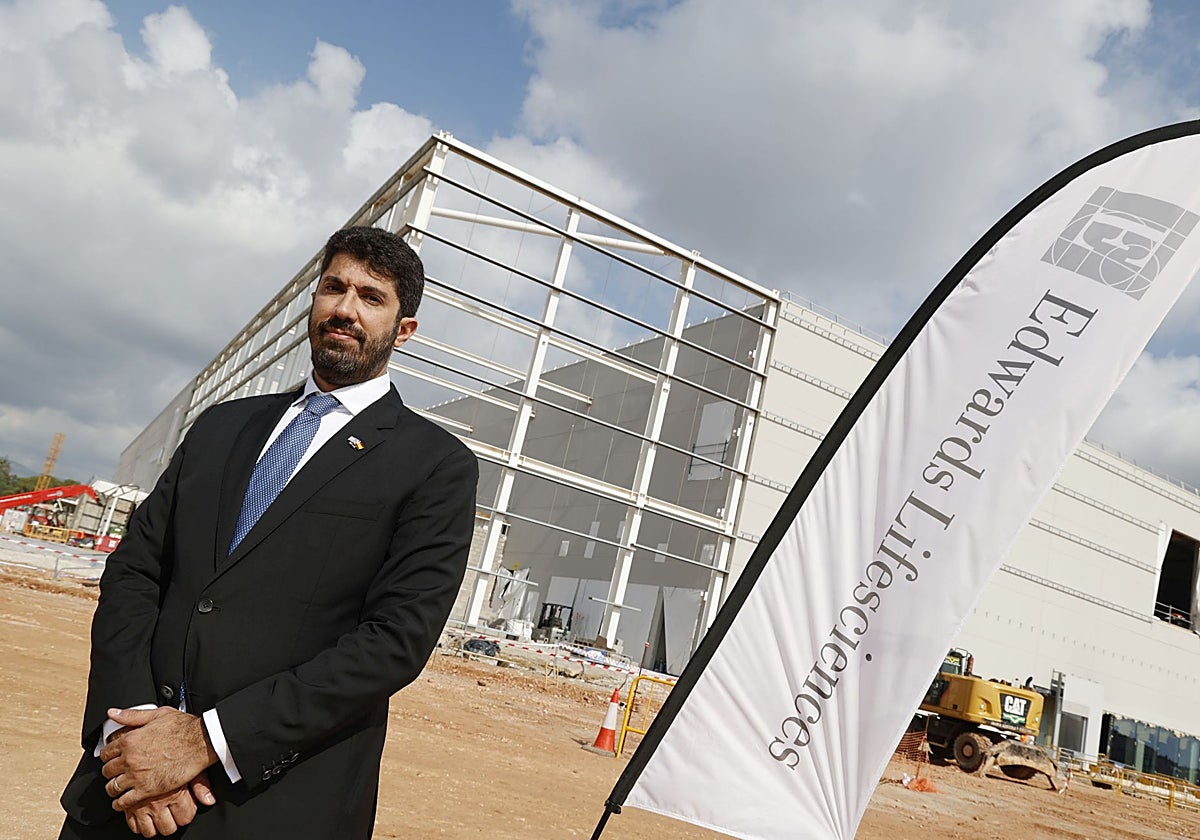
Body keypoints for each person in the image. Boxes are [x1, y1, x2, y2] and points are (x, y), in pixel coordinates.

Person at [59, 226, 479, 839]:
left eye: (371, 296)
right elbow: (135, 572)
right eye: (333, 288)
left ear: (403, 329)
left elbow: (394, 641)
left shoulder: (434, 466)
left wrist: (207, 740)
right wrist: (130, 733)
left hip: (273, 804)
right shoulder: (220, 428)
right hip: (125, 792)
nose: (345, 308)